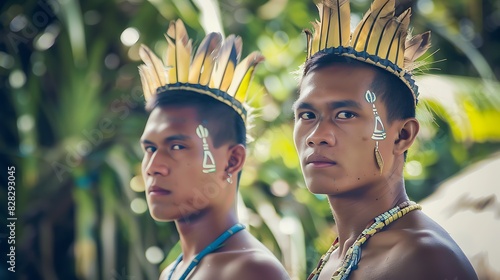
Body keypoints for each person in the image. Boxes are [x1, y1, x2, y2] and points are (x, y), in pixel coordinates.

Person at [292, 0, 478, 279]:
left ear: (402, 135)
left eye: (345, 114)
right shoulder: (337, 256)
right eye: (307, 115)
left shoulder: (424, 259)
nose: (317, 136)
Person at [138, 19, 290, 280]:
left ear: (232, 161)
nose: (153, 167)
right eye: (150, 148)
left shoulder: (253, 271)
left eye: (177, 146)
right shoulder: (172, 272)